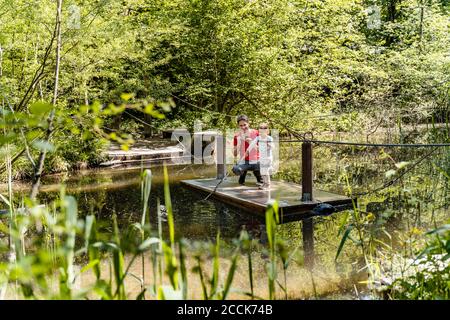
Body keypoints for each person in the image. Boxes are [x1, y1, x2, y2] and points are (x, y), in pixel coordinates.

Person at [232, 115, 263, 186]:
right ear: (238, 126)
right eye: (241, 125)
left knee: (261, 181)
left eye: (245, 125)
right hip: (244, 161)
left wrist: (251, 142)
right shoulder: (237, 136)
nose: (243, 127)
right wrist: (239, 143)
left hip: (257, 160)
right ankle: (242, 178)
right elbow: (235, 154)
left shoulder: (256, 133)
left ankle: (259, 176)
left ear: (248, 123)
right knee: (236, 169)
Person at [245, 123, 273, 190]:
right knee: (262, 171)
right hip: (262, 158)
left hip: (268, 158)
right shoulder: (258, 138)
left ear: (267, 132)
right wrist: (247, 150)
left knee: (265, 171)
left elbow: (271, 146)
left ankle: (268, 184)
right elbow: (252, 144)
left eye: (263, 132)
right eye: (260, 132)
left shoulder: (269, 138)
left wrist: (268, 146)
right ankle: (264, 183)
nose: (261, 134)